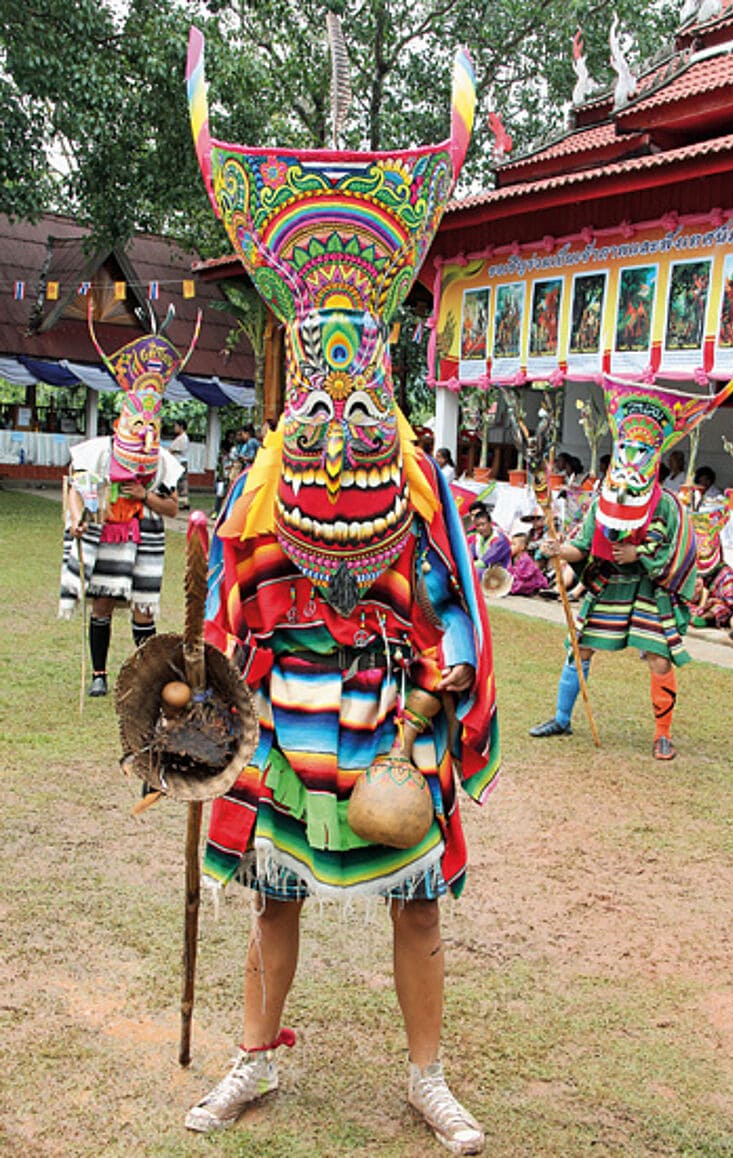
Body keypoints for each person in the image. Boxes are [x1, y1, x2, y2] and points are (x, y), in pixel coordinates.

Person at [184, 32, 498, 1155]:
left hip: (385, 716)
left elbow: (450, 615)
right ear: (295, 390)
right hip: (289, 713)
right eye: (318, 396)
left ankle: (428, 1077)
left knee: (416, 903)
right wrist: (237, 729)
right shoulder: (260, 496)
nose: (339, 426)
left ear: (380, 374)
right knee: (275, 895)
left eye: (357, 392)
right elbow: (227, 627)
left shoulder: (419, 488)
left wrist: (421, 726)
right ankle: (252, 1060)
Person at [529, 372, 733, 760]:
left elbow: (682, 551)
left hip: (651, 590)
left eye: (640, 451)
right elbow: (583, 546)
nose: (629, 458)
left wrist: (640, 555)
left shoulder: (668, 505)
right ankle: (561, 718)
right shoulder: (601, 501)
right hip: (610, 586)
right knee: (581, 649)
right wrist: (560, 549)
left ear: (653, 458)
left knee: (659, 658)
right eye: (625, 448)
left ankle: (663, 734)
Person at [58, 309, 200, 696]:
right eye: (138, 425)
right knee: (102, 602)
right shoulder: (101, 452)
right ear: (123, 420)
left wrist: (145, 496)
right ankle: (100, 677)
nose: (144, 433)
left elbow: (173, 509)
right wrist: (76, 520)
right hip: (107, 530)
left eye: (151, 426)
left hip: (146, 534)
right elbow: (74, 487)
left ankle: (146, 678)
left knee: (143, 606)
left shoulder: (163, 462)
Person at [687, 498, 733, 628]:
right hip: (693, 606)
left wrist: (709, 604)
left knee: (721, 609)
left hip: (714, 608)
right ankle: (692, 615)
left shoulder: (726, 574)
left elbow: (732, 604)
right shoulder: (689, 566)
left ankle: (704, 618)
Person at [508, 520, 548, 596]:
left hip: (531, 580)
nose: (511, 547)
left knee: (520, 584)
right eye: (511, 544)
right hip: (517, 579)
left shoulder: (525, 559)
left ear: (522, 547)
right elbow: (509, 570)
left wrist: (514, 577)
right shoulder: (512, 558)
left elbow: (526, 575)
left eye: (513, 544)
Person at [468, 501, 511, 573]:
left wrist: (467, 566)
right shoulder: (477, 538)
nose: (481, 528)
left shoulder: (499, 540)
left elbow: (484, 563)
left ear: (490, 523)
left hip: (501, 575)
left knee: (476, 572)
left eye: (483, 524)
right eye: (478, 526)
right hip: (487, 573)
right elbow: (469, 556)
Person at [169, 418, 190, 510]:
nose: (175, 428)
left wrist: (170, 450)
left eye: (176, 426)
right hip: (177, 462)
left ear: (181, 427)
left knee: (181, 482)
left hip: (180, 462)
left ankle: (183, 501)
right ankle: (181, 501)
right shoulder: (180, 437)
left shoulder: (183, 438)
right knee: (179, 482)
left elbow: (177, 450)